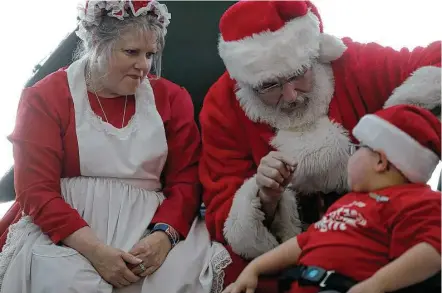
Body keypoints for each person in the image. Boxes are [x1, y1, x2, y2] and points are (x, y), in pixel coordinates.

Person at [198, 1, 441, 291]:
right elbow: (223, 210)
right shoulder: (223, 104)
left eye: (299, 73)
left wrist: (394, 131)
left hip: (381, 239)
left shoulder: (350, 61)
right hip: (293, 255)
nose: (290, 96)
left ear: (315, 54)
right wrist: (265, 197)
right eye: (270, 86)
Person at [0, 1, 231, 293]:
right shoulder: (46, 97)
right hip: (67, 230)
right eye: (131, 52)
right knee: (64, 280)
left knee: (177, 278)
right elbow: (35, 189)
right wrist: (95, 251)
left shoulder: (172, 98)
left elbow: (186, 179)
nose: (144, 66)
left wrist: (163, 237)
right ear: (96, 43)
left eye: (150, 54)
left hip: (150, 227)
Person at [222, 104, 441, 293]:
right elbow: (303, 242)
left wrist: (376, 286)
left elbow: (435, 249)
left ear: (380, 162)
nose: (350, 156)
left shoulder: (420, 200)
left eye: (358, 148)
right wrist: (254, 269)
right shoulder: (350, 202)